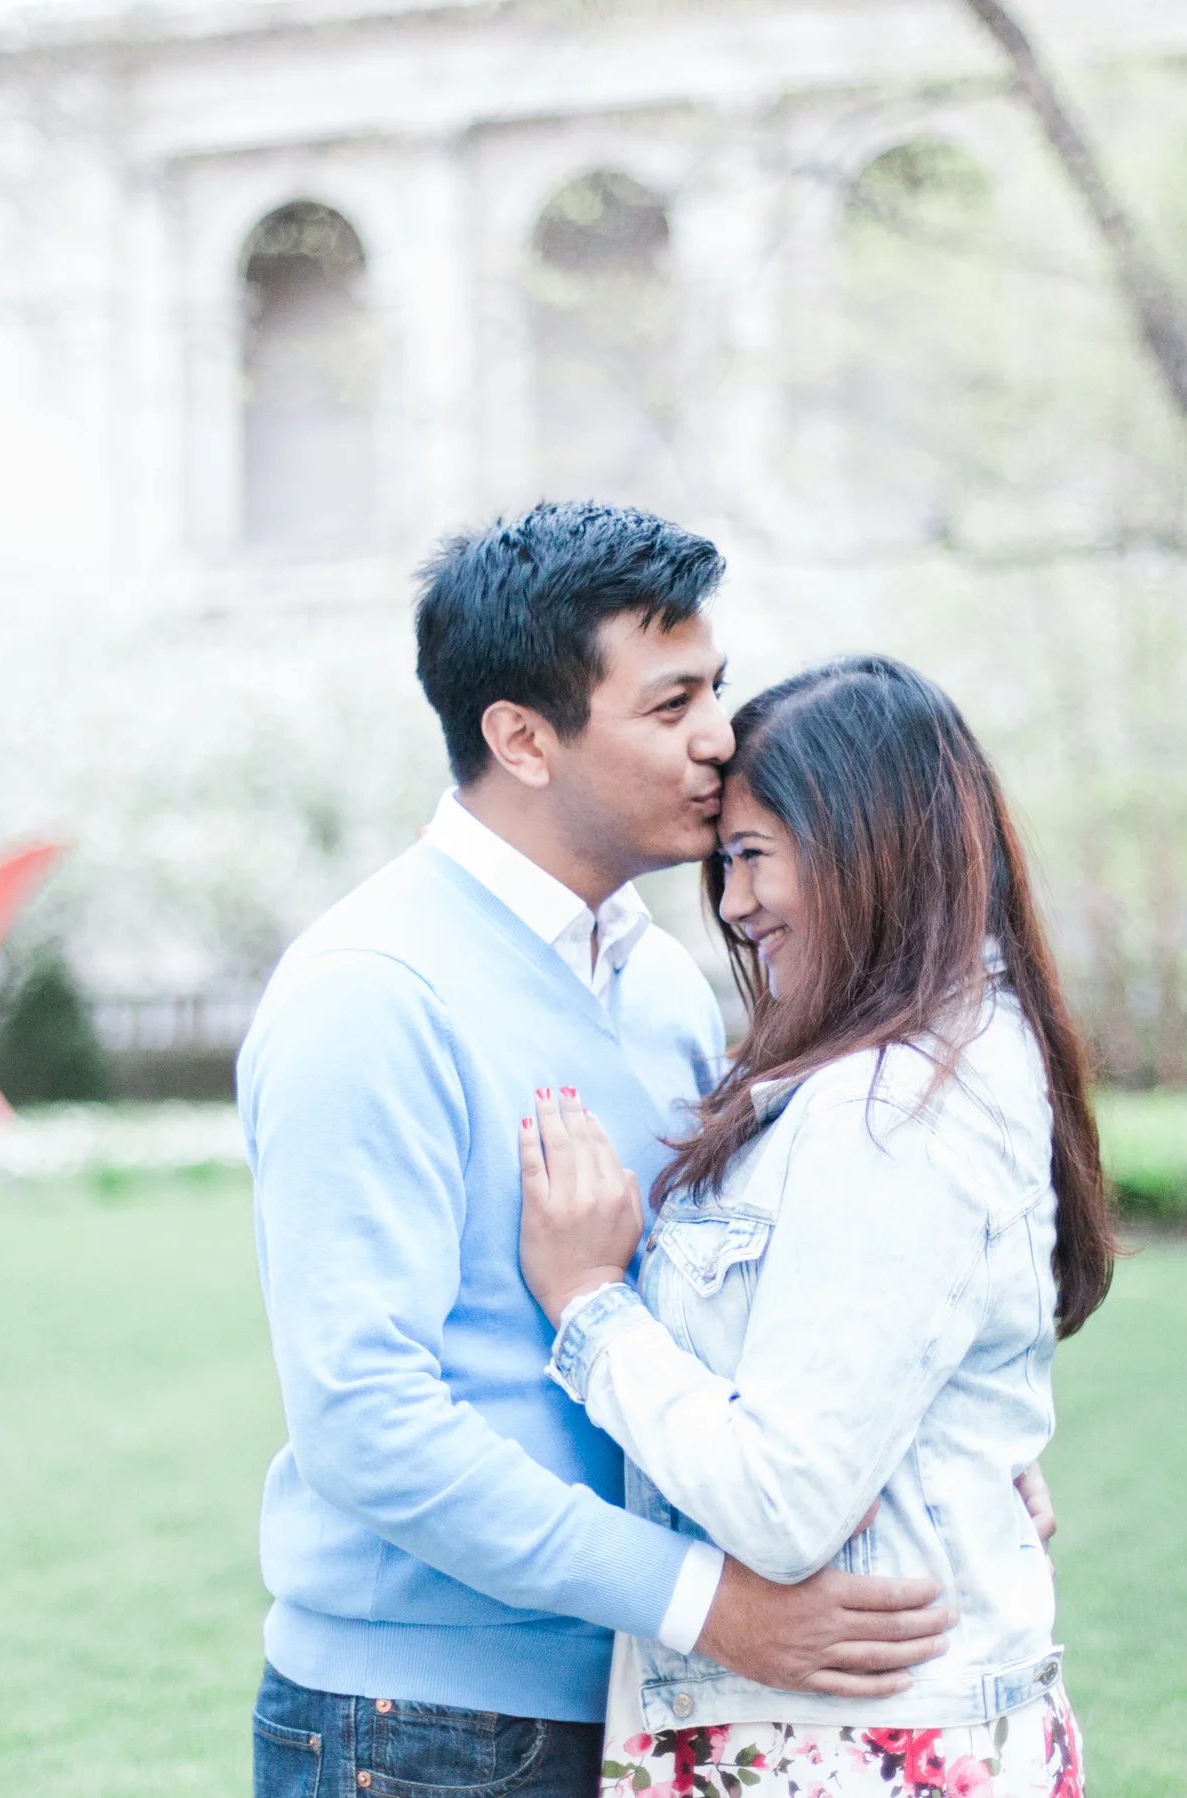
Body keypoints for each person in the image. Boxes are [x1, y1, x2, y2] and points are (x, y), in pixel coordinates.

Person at [237, 507, 973, 1798]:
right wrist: (704, 1601)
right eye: (671, 703)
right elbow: (364, 1421)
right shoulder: (370, 992)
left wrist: (940, 1461)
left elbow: (737, 1302)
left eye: (717, 690)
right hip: (420, 1723)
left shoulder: (662, 982)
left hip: (650, 1694)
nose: (720, 738)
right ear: (523, 738)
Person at [517, 655, 1117, 1798]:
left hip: (843, 1749)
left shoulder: (892, 1103)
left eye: (751, 855)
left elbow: (782, 1500)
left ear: (863, 843)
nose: (733, 903)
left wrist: (589, 1306)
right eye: (725, 862)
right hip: (866, 1736)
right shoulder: (929, 1055)